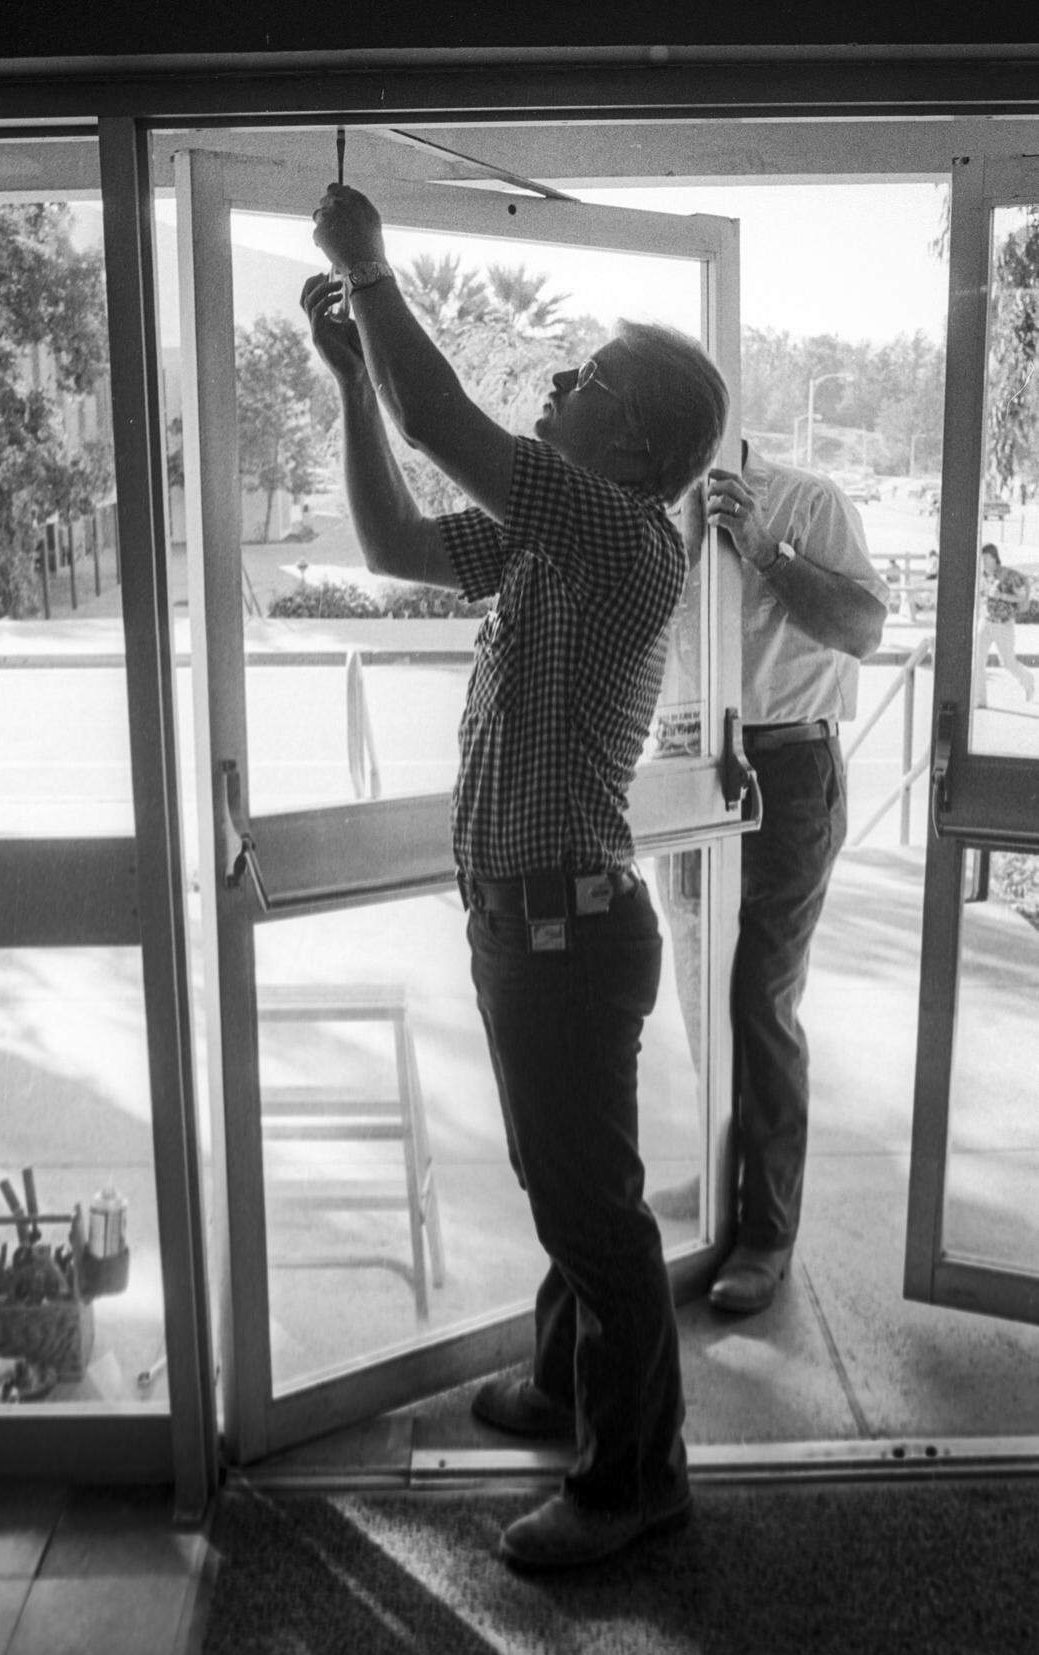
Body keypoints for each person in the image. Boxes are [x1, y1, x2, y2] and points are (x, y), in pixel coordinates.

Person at [303, 180, 729, 1572]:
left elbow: (449, 424)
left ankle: (635, 1480)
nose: (557, 377)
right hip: (528, 930)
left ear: (638, 442)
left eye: (587, 375)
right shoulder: (548, 544)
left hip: (568, 936)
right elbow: (391, 544)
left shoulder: (621, 539)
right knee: (566, 1183)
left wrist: (370, 274)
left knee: (594, 1211)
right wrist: (358, 388)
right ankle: (563, 1382)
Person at [654, 443, 889, 1313]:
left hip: (787, 774)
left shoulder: (808, 500)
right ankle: (720, 1193)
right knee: (698, 991)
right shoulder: (650, 504)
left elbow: (865, 630)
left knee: (760, 999)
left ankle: (766, 1231)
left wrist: (767, 552)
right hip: (683, 769)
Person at [974, 541, 1034, 706]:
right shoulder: (982, 576)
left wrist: (1002, 596)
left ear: (994, 558)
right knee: (977, 661)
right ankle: (981, 700)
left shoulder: (1008, 575)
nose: (982, 562)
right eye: (981, 558)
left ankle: (1028, 680)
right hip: (985, 623)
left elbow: (1022, 597)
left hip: (1004, 624)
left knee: (1007, 662)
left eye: (985, 558)